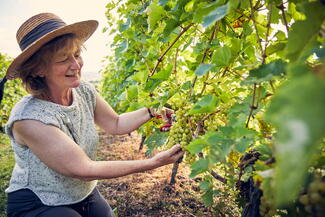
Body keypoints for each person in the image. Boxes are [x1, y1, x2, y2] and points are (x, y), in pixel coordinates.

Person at [0, 13, 183, 217]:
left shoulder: (83, 91)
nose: (76, 65)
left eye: (77, 54)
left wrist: (151, 112)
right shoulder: (29, 119)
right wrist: (153, 163)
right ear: (38, 69)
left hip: (81, 193)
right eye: (63, 58)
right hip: (38, 202)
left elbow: (115, 123)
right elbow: (83, 169)